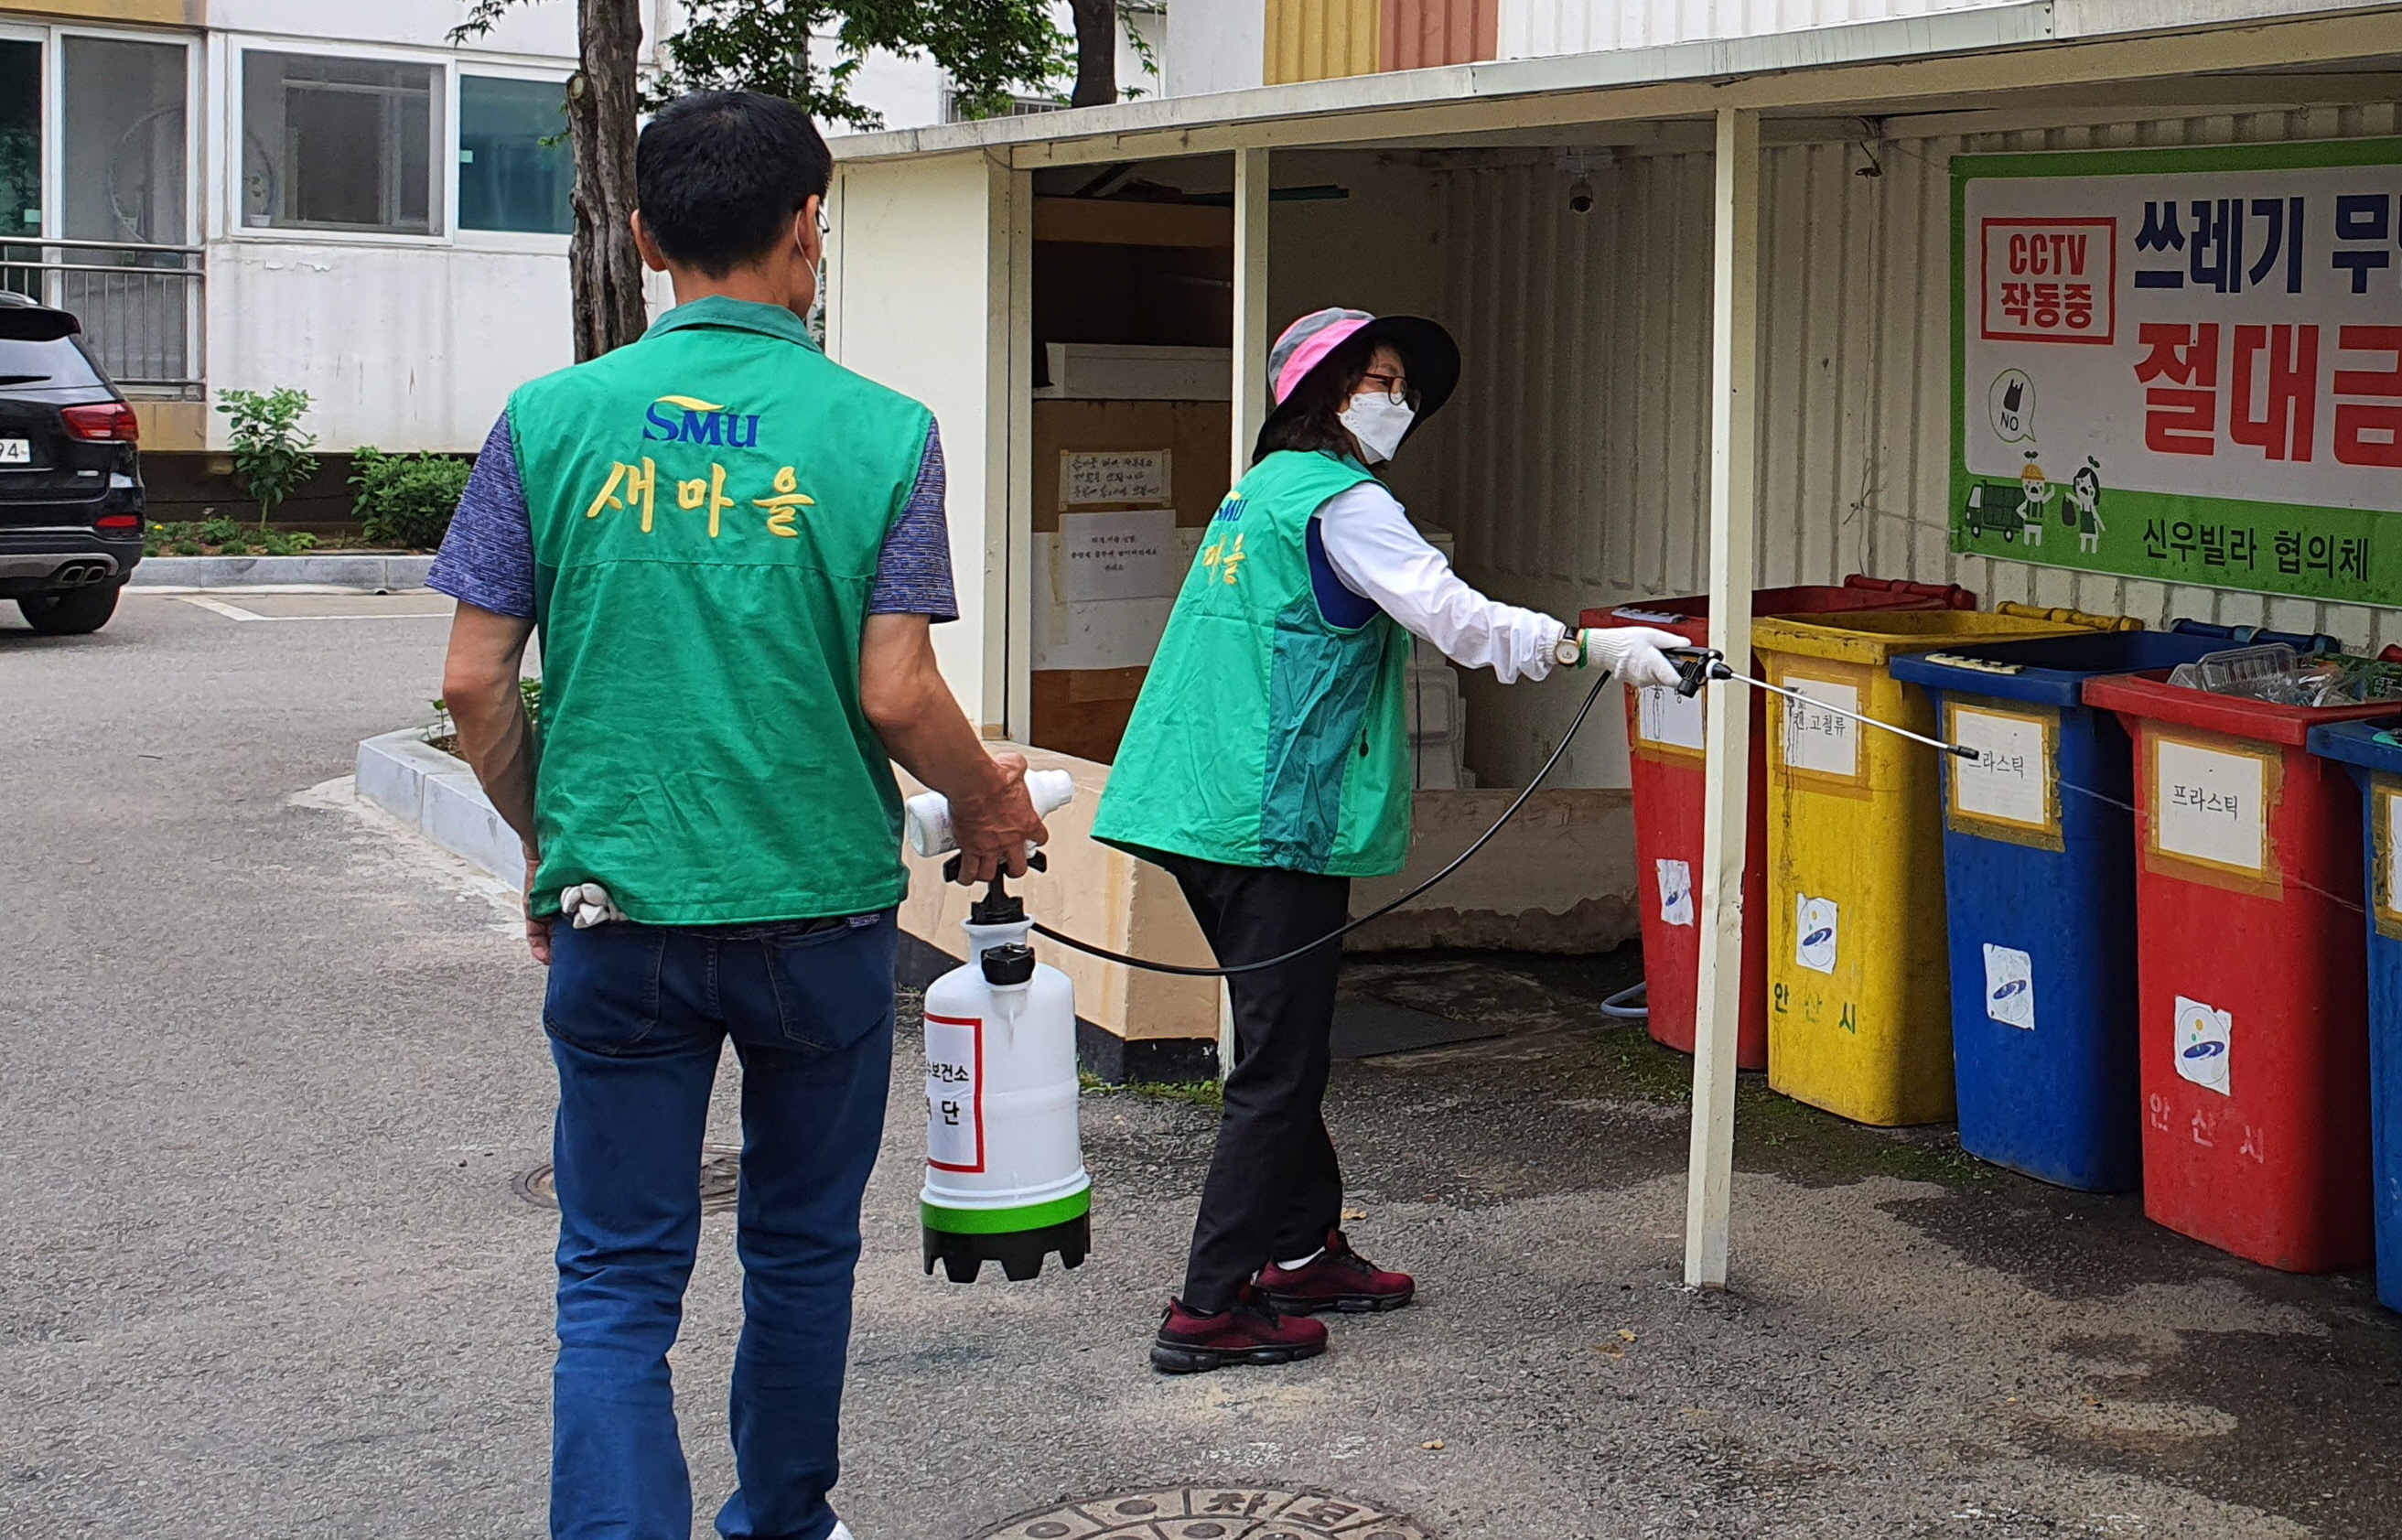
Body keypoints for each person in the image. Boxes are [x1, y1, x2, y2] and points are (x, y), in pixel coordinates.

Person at [428, 91, 1045, 1540]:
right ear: (805, 230)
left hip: (619, 911)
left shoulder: (548, 421)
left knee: (619, 1275)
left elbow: (471, 685)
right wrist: (988, 795)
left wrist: (546, 840)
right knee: (799, 1248)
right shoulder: (884, 433)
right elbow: (898, 693)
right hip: (819, 919)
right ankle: (780, 1519)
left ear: (643, 238)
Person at [1089, 307, 1686, 1374]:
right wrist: (1598, 649)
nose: (1392, 398)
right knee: (1276, 1065)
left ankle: (1303, 1249)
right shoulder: (1346, 501)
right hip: (1268, 824)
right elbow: (1455, 619)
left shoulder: (1259, 491)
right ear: (1320, 394)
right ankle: (1207, 1309)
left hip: (1193, 804)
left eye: (1401, 382)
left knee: (1289, 1041)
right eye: (1372, 378)